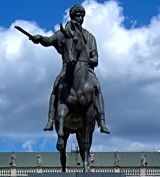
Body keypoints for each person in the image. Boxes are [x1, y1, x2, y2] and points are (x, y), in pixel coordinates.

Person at [29, 4, 109, 134]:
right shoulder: (63, 34)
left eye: (82, 16)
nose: (80, 18)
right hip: (67, 69)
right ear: (71, 16)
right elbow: (48, 40)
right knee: (56, 86)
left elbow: (95, 59)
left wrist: (86, 61)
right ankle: (50, 119)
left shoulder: (90, 37)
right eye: (77, 16)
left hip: (85, 70)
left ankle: (102, 120)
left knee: (97, 87)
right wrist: (39, 38)